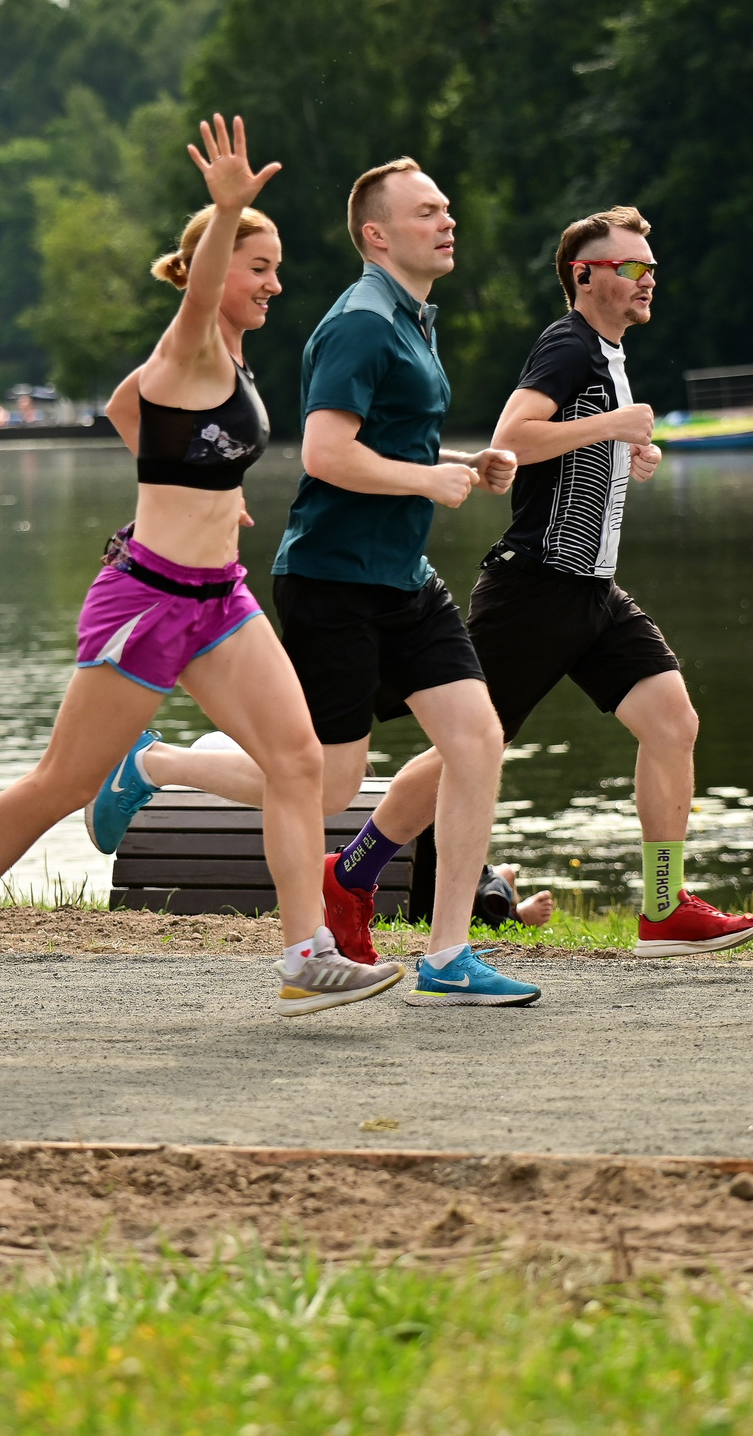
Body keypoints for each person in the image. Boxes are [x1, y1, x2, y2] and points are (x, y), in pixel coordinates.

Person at [0, 116, 403, 1020]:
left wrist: (202, 489)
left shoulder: (226, 360)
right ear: (216, 270)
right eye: (260, 266)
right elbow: (192, 310)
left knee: (297, 760)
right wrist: (226, 209)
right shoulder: (197, 338)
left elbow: (127, 407)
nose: (275, 283)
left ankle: (303, 953)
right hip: (149, 601)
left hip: (221, 600)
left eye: (276, 267)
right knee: (67, 781)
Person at [94, 158, 541, 1007]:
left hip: (403, 578)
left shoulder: (413, 317)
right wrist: (425, 483)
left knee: (477, 740)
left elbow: (383, 447)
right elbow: (325, 453)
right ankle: (156, 765)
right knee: (328, 784)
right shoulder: (361, 323)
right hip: (333, 582)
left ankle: (448, 956)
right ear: (377, 234)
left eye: (448, 207)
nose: (448, 221)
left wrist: (452, 466)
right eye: (427, 212)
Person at [356, 208, 753, 956]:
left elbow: (569, 448)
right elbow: (512, 437)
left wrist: (626, 456)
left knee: (674, 722)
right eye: (631, 268)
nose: (647, 281)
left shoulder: (606, 354)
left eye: (651, 268)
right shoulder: (568, 343)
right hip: (534, 590)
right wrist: (611, 430)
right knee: (466, 750)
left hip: (593, 592)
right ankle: (351, 873)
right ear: (586, 275)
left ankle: (665, 908)